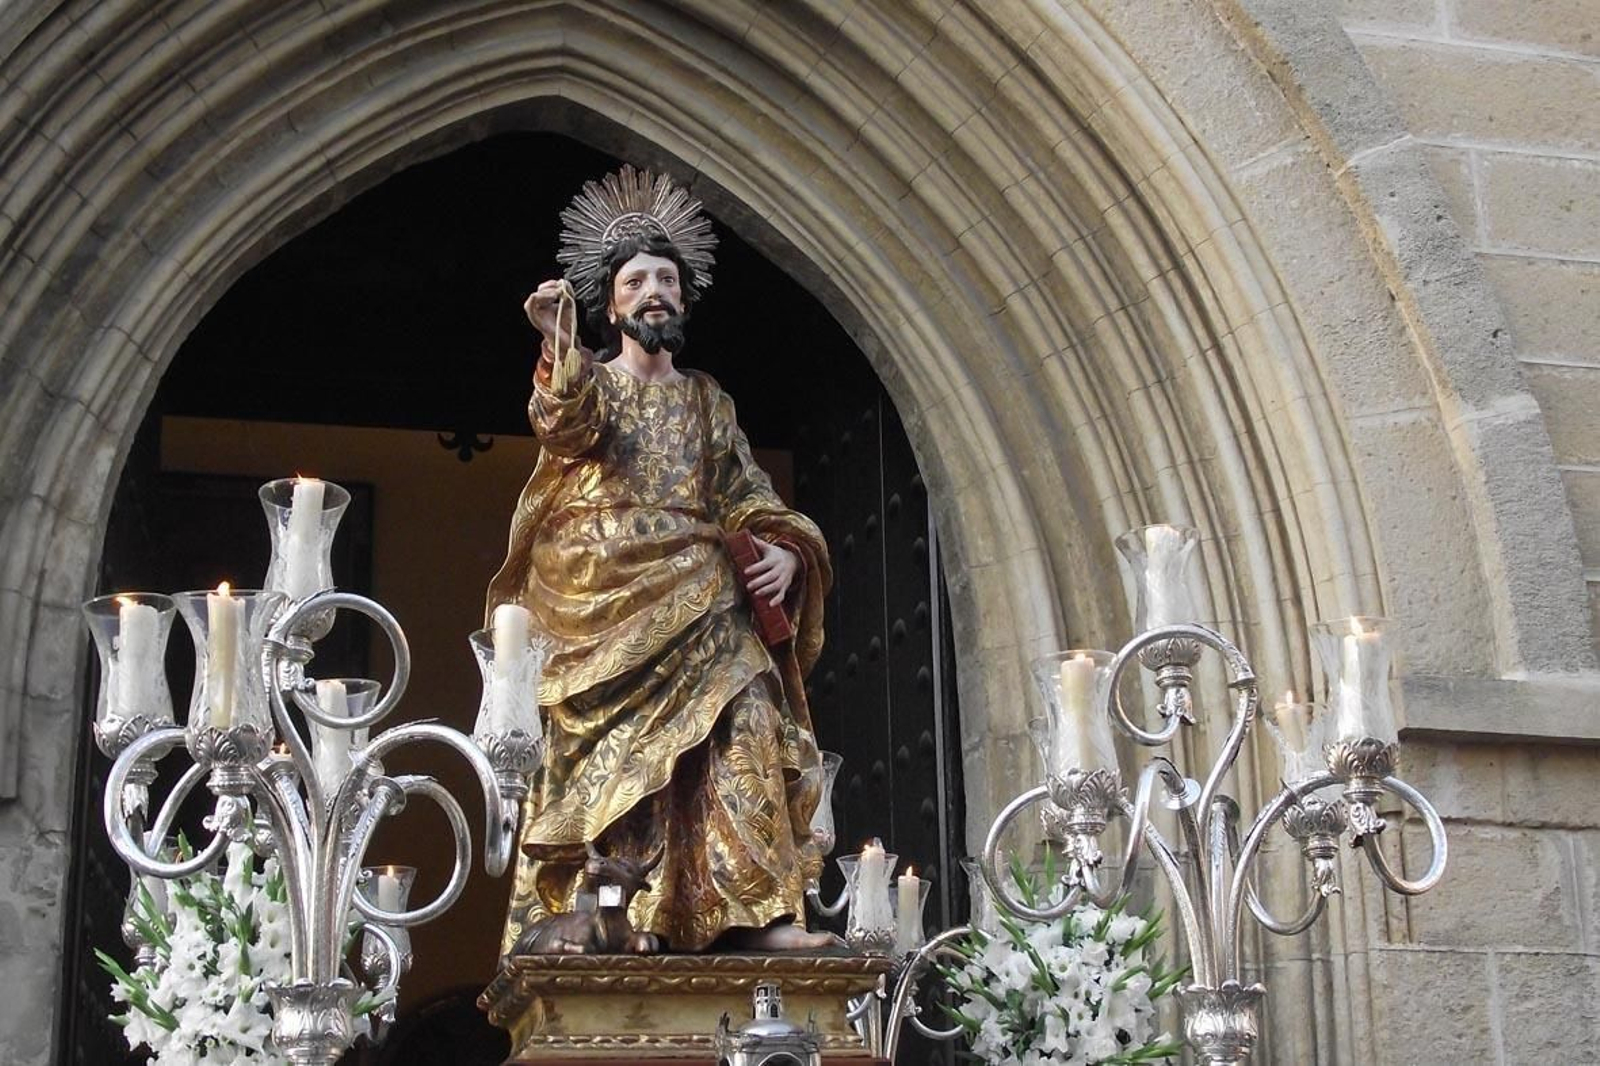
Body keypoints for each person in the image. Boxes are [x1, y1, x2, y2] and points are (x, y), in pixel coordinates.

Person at [488, 167, 835, 953]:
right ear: (610, 302)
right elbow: (563, 423)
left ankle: (757, 916)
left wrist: (784, 552)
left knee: (745, 720)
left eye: (667, 281)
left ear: (684, 298)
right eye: (637, 281)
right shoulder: (594, 384)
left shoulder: (709, 399)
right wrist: (557, 345)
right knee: (615, 765)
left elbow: (745, 494)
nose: (654, 293)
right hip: (596, 602)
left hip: (706, 596)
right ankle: (613, 915)